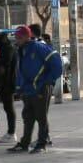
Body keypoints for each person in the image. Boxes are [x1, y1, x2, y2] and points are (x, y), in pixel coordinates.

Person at [11, 25, 64, 155]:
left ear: (26, 37)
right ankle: (25, 143)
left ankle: (42, 143)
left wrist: (46, 81)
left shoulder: (39, 48)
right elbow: (20, 71)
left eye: (18, 37)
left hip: (41, 89)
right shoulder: (21, 50)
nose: (16, 40)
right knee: (28, 117)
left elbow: (57, 65)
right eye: (16, 38)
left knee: (41, 117)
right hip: (27, 90)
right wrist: (19, 88)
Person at [0, 29, 18, 140]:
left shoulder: (7, 50)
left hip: (7, 83)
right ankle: (11, 132)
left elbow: (3, 68)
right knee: (8, 108)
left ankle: (11, 132)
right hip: (6, 82)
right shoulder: (7, 48)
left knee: (9, 107)